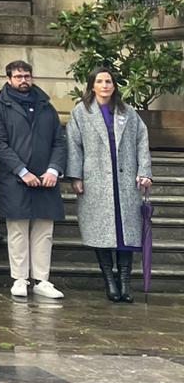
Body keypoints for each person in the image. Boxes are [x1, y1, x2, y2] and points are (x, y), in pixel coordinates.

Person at [66, 67, 153, 304]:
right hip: (96, 181)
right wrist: (76, 177)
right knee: (101, 232)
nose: (105, 85)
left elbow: (141, 141)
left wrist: (145, 172)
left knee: (126, 232)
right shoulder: (81, 113)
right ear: (92, 85)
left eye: (109, 81)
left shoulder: (128, 112)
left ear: (114, 86)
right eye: (100, 81)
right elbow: (74, 146)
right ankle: (109, 280)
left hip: (125, 181)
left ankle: (125, 280)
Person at [0, 61, 67, 300]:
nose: (24, 80)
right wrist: (22, 171)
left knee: (44, 230)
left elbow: (59, 141)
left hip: (46, 178)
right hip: (15, 178)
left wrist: (53, 170)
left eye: (27, 76)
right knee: (18, 229)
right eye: (19, 76)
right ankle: (19, 278)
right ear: (9, 78)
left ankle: (42, 279)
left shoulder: (46, 106)